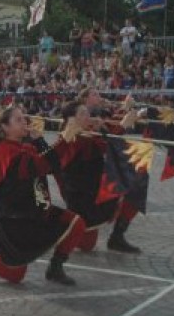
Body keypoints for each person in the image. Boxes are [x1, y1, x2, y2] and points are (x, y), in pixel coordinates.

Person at [0, 106, 88, 286]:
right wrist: (63, 139)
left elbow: (52, 164)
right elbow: (40, 165)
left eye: (24, 118)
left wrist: (40, 140)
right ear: (5, 128)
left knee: (77, 223)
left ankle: (55, 268)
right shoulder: (6, 151)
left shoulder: (24, 146)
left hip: (34, 211)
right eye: (18, 120)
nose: (24, 122)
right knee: (15, 275)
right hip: (14, 221)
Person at [54, 101, 142, 254]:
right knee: (86, 245)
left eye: (87, 112)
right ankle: (52, 229)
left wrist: (112, 121)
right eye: (83, 113)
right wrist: (122, 125)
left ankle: (117, 236)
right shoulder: (71, 138)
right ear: (70, 120)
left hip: (96, 191)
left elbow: (104, 140)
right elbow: (105, 144)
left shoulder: (87, 132)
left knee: (136, 188)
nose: (88, 116)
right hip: (83, 200)